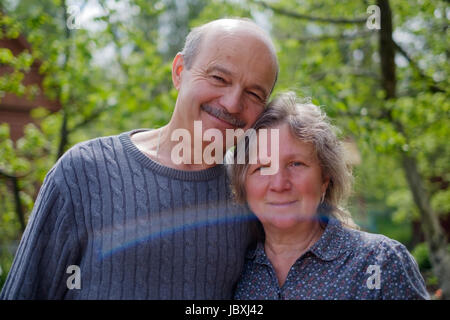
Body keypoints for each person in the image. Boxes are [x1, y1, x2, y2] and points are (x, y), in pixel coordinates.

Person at [0, 18, 278, 299]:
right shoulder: (83, 173)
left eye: (253, 94)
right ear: (180, 71)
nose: (232, 103)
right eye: (219, 78)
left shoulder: (254, 195)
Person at [229, 92, 430, 300]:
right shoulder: (231, 271)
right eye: (262, 167)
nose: (279, 184)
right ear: (243, 186)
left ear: (325, 178)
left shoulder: (381, 263)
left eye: (296, 164)